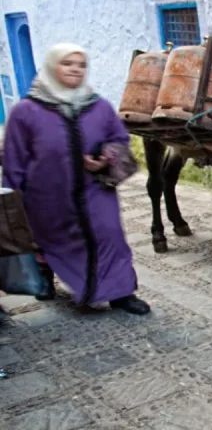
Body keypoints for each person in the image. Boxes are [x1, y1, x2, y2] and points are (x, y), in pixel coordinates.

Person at [1, 43, 149, 315]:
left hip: (95, 190)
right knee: (50, 241)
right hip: (46, 195)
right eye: (67, 63)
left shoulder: (98, 106)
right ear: (51, 66)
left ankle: (121, 294)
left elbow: (118, 139)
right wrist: (15, 200)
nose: (75, 70)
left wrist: (106, 159)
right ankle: (46, 277)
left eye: (81, 65)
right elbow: (14, 158)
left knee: (110, 236)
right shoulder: (26, 112)